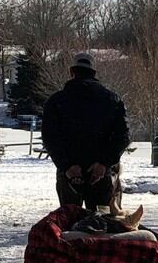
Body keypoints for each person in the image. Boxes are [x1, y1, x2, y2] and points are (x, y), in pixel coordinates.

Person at [42, 52, 130, 212]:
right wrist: (104, 163)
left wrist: (67, 166)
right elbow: (123, 137)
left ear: (71, 72)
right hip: (100, 173)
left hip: (70, 174)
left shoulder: (56, 101)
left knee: (69, 221)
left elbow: (50, 138)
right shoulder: (112, 100)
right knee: (103, 223)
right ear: (94, 73)